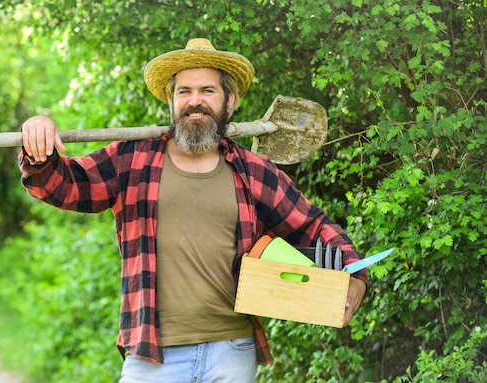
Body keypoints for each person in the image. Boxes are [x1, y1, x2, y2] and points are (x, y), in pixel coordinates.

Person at [19, 38, 368, 382]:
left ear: (228, 100)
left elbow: (311, 224)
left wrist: (354, 274)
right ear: (171, 101)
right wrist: (40, 148)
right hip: (153, 356)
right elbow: (65, 185)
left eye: (207, 91)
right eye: (184, 91)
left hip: (232, 351)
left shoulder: (252, 171)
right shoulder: (132, 159)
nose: (194, 101)